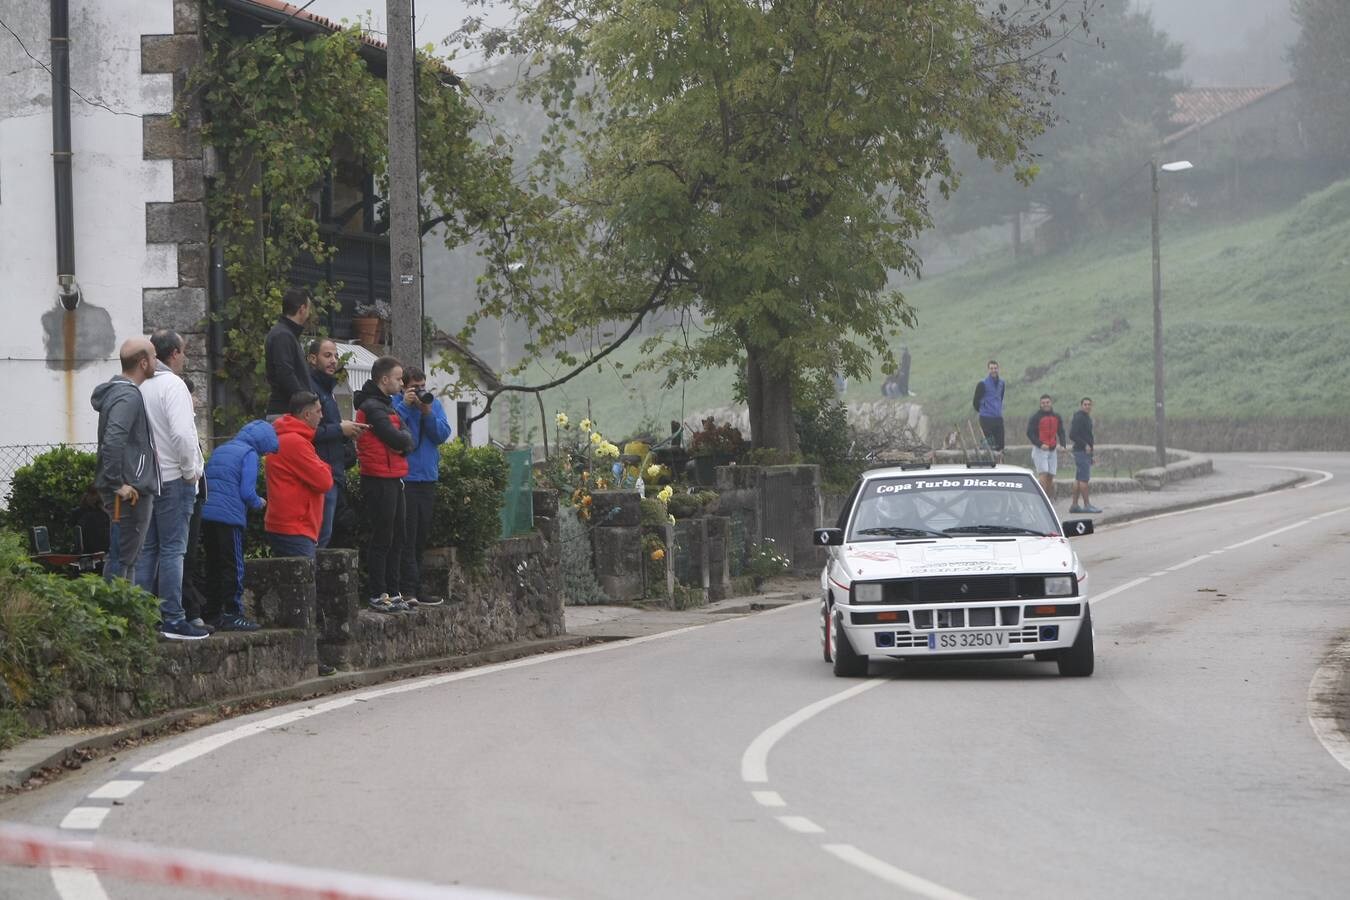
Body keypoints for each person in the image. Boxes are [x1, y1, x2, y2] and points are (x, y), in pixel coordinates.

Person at [137, 330, 208, 640]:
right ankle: (173, 618)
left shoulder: (141, 386)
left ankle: (140, 616)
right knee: (173, 551)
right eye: (184, 351)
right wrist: (191, 470)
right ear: (175, 354)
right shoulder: (173, 386)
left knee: (148, 550)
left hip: (147, 479)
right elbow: (182, 434)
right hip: (174, 478)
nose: (185, 357)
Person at [90, 337, 161, 583]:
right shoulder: (128, 396)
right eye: (153, 356)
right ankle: (115, 616)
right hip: (129, 491)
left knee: (128, 557)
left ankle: (126, 618)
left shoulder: (121, 393)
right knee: (123, 558)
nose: (156, 361)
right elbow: (113, 440)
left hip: (130, 487)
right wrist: (116, 483)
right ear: (143, 363)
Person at [201, 420, 278, 631]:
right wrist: (259, 502)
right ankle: (233, 614)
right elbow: (247, 492)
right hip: (229, 517)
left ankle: (212, 613)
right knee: (233, 566)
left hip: (207, 514)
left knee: (213, 564)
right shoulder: (249, 454)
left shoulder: (223, 448)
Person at [355, 356, 414, 613]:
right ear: (384, 379)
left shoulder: (387, 406)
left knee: (398, 534)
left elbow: (406, 436)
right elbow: (396, 437)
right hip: (378, 478)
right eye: (399, 378)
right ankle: (378, 592)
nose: (402, 383)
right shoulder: (372, 406)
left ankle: (392, 589)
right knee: (383, 536)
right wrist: (402, 443)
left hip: (392, 476)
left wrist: (402, 443)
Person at [393, 367, 451, 607]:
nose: (420, 392)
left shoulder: (433, 405)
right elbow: (393, 430)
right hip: (406, 479)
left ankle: (415, 587)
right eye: (415, 388)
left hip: (427, 478)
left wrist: (426, 412)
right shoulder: (396, 405)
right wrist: (407, 406)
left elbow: (441, 434)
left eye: (423, 387)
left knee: (420, 538)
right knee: (406, 536)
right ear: (404, 387)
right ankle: (406, 589)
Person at [307, 338, 367, 547]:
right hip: (321, 472)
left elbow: (328, 427)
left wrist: (346, 432)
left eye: (335, 356)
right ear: (312, 359)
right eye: (327, 355)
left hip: (334, 471)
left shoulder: (327, 389)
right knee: (320, 537)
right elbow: (308, 432)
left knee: (329, 535)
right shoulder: (311, 390)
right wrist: (340, 429)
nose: (333, 361)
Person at [264, 392, 334, 560]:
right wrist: (325, 466)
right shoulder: (295, 442)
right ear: (307, 414)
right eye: (318, 411)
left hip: (290, 526)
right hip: (295, 527)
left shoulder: (287, 438)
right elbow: (324, 481)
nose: (322, 416)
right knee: (304, 583)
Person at [264, 287, 312, 418]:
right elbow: (285, 374)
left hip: (288, 411)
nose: (309, 313)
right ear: (302, 309)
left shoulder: (286, 334)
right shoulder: (283, 335)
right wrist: (306, 402)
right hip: (285, 413)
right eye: (308, 309)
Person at [1025, 393, 1065, 498]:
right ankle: (1042, 499)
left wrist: (1063, 444)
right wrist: (1040, 444)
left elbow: (1061, 431)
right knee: (1043, 474)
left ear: (1051, 403)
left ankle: (1047, 498)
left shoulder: (1056, 416)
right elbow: (1029, 433)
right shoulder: (1035, 417)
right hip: (1040, 450)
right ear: (1040, 404)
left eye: (1047, 402)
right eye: (1043, 403)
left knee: (1051, 475)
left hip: (1052, 450)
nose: (1045, 404)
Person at [1069, 397, 1102, 515]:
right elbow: (1072, 434)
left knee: (1078, 479)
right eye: (1085, 404)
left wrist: (1091, 454)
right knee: (1084, 479)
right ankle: (1087, 505)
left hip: (1084, 453)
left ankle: (1074, 505)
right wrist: (1085, 445)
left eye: (1089, 404)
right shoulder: (1079, 417)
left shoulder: (1086, 418)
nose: (1087, 406)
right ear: (1081, 405)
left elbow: (1088, 437)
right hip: (1081, 452)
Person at [972, 359, 1005, 460]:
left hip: (998, 418)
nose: (993, 370)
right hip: (986, 418)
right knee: (988, 444)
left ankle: (1000, 464)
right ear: (988, 370)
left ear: (998, 369)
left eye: (995, 368)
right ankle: (986, 463)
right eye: (991, 368)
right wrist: (984, 410)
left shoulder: (1002, 383)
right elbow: (975, 402)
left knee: (1000, 444)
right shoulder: (982, 384)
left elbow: (1000, 397)